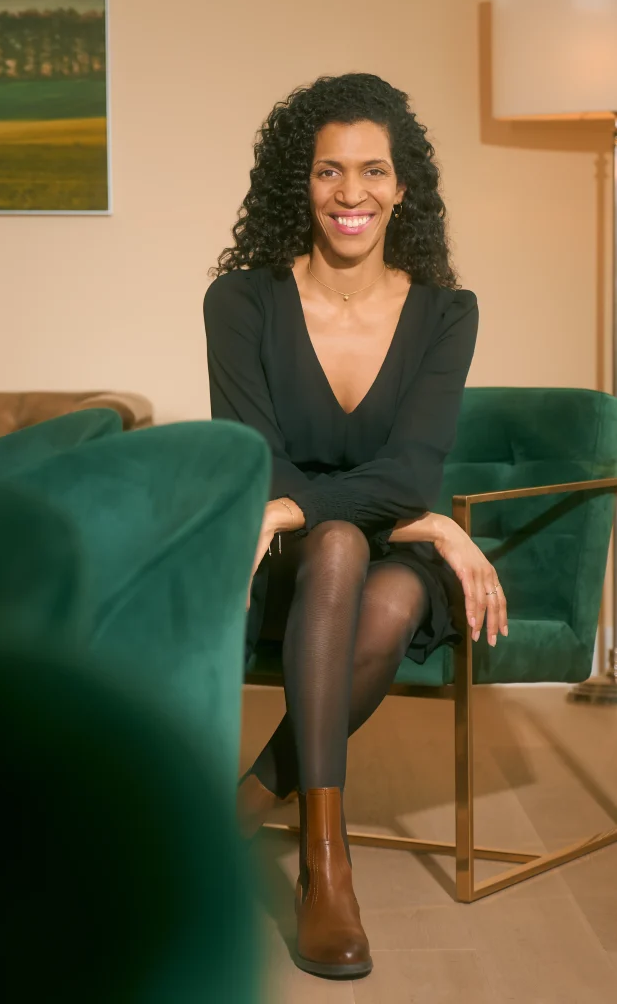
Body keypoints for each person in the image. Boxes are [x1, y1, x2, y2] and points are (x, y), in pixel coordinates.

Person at [203, 72, 508, 981]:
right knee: (336, 545)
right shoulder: (241, 302)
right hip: (289, 567)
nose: (350, 193)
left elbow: (411, 472)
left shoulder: (446, 312)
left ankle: (260, 804)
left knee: (385, 589)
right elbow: (260, 461)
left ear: (402, 185)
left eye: (372, 171)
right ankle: (325, 867)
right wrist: (433, 529)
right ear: (298, 184)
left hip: (389, 563)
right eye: (327, 170)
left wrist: (407, 518)